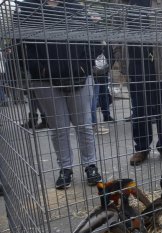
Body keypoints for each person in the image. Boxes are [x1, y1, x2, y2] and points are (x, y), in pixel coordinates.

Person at [18, 0, 101, 189]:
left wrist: (85, 65)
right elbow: (20, 45)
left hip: (79, 76)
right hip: (44, 80)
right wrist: (39, 69)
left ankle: (91, 165)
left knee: (84, 125)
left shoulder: (77, 9)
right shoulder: (27, 9)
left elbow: (94, 39)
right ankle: (65, 169)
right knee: (59, 128)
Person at [126, 0, 162, 166]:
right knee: (140, 109)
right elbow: (117, 30)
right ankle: (142, 148)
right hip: (137, 61)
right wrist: (122, 61)